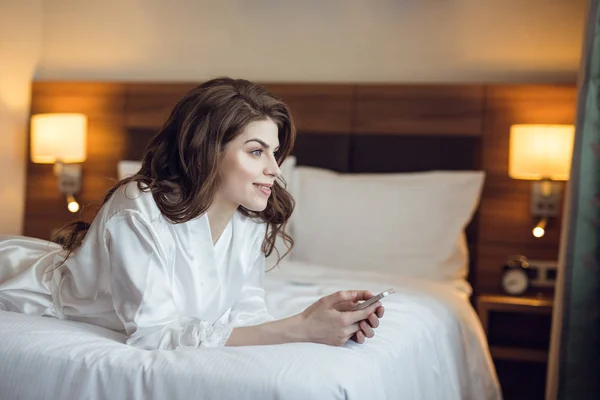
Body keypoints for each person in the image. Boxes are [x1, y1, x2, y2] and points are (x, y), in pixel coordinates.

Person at [0, 77, 384, 350]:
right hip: (21, 288)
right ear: (209, 150)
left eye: (274, 152)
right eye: (256, 151)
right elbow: (153, 335)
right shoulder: (138, 206)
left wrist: (314, 318)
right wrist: (299, 330)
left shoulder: (248, 215)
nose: (275, 168)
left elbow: (245, 318)